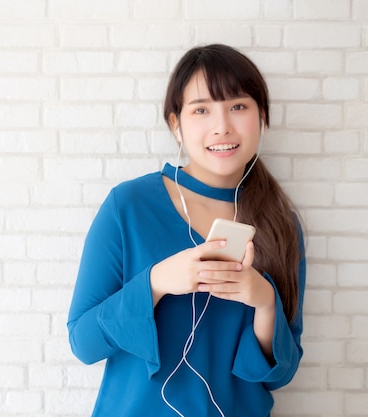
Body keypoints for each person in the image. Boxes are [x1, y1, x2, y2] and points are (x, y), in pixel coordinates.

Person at [67, 44, 306, 417]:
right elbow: (83, 342)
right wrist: (157, 281)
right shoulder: (128, 206)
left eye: (238, 106)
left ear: (262, 117)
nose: (222, 125)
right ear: (175, 124)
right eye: (201, 110)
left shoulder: (279, 223)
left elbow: (279, 375)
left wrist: (263, 301)